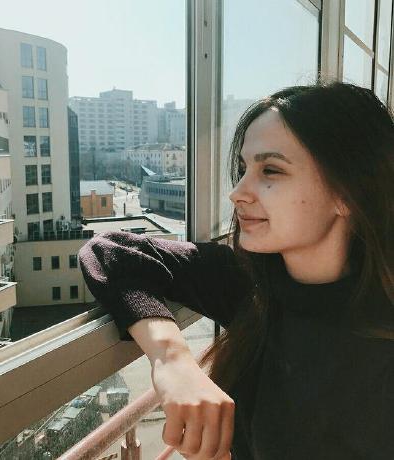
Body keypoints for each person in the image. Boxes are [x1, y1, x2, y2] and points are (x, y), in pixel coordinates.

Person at [78, 80, 394, 460]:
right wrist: (172, 359)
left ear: (346, 195)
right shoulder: (252, 283)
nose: (238, 192)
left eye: (271, 170)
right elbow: (111, 252)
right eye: (244, 168)